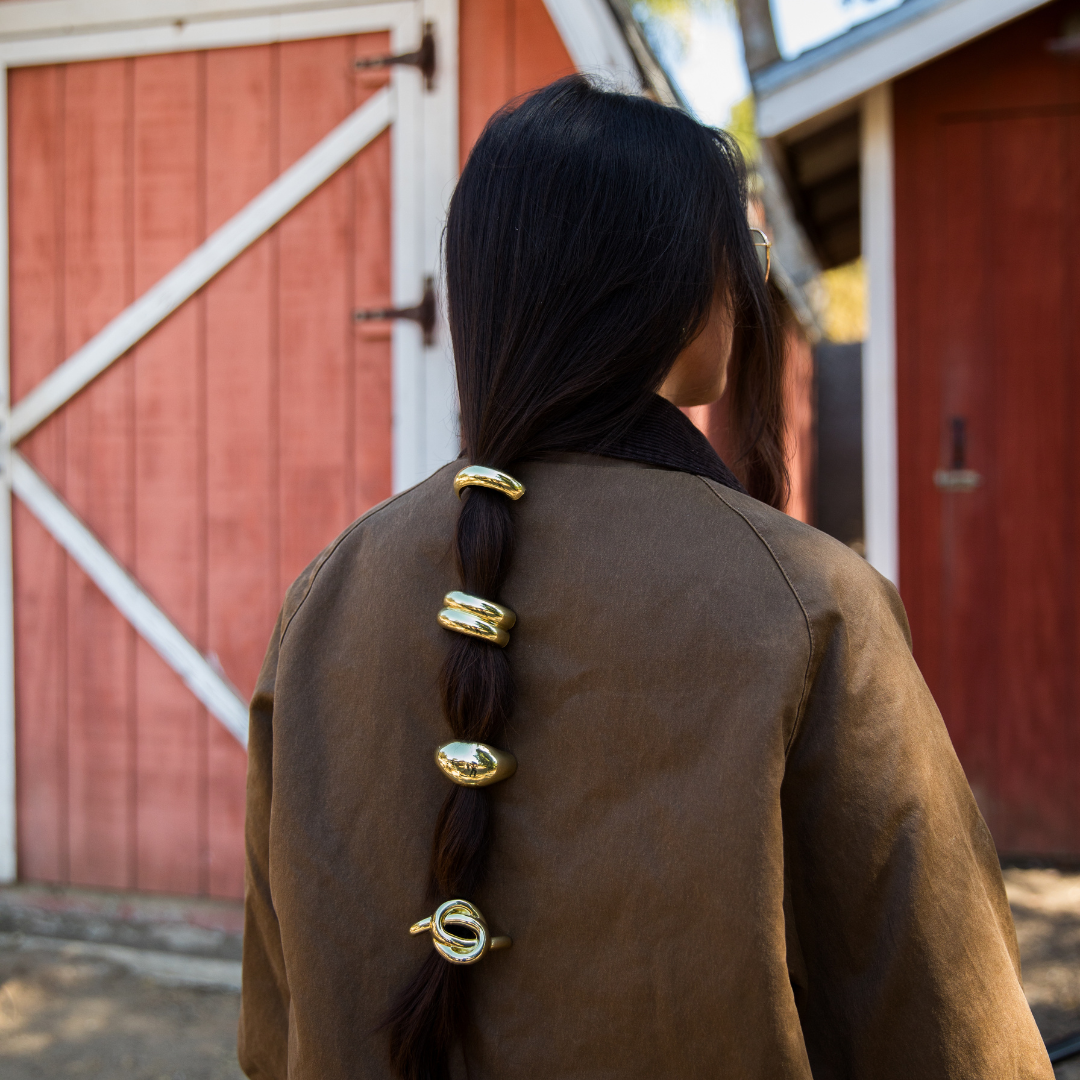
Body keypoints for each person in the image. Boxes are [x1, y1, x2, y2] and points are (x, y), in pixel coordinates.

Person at [238, 76, 1052, 1079]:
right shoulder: (807, 600)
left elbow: (274, 1035)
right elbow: (949, 1029)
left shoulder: (324, 599)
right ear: (680, 289)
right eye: (731, 259)